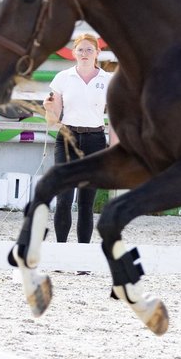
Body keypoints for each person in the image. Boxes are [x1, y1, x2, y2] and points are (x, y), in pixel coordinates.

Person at [42, 32, 115, 248]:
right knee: (64, 199)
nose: (84, 54)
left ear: (97, 53)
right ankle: (62, 253)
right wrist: (47, 109)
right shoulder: (62, 78)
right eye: (80, 50)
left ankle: (83, 259)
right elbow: (52, 120)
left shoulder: (108, 80)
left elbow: (117, 116)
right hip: (67, 138)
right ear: (74, 53)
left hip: (95, 140)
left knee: (86, 202)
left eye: (89, 50)